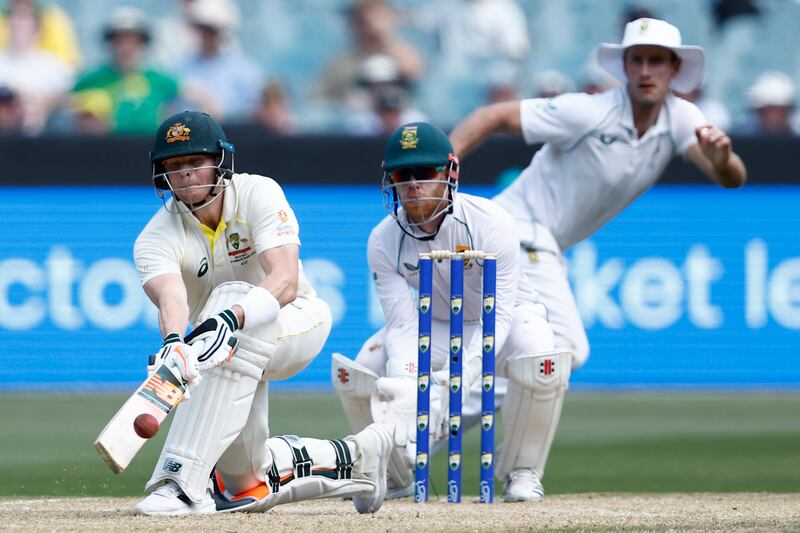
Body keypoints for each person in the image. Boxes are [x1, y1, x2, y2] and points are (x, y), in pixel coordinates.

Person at [447, 16, 747, 469]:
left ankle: (423, 427)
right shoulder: (587, 111)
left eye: (657, 62)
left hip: (543, 243)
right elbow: (492, 116)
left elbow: (730, 178)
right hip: (517, 231)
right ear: (624, 67)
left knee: (537, 355)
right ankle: (491, 451)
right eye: (638, 60)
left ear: (674, 69)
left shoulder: (682, 118)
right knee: (565, 344)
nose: (647, 71)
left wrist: (723, 158)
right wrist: (441, 172)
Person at [132, 109, 391, 515]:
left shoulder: (257, 192)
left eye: (195, 163)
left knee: (227, 321)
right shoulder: (154, 236)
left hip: (297, 320)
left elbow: (285, 280)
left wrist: (231, 318)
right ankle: (361, 455)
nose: (184, 176)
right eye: (174, 166)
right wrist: (172, 343)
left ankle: (180, 482)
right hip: (220, 352)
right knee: (244, 483)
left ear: (219, 161)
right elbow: (170, 297)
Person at [332, 122, 571, 502]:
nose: (411, 184)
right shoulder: (382, 240)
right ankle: (393, 475)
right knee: (362, 370)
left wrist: (451, 387)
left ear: (450, 172)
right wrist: (411, 390)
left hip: (509, 322)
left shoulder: (490, 224)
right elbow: (402, 326)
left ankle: (522, 473)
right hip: (439, 326)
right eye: (401, 174)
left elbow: (500, 318)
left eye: (424, 173)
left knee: (540, 352)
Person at [72, 6, 178, 134]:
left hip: (150, 148)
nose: (126, 48)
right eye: (119, 41)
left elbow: (190, 98)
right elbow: (65, 100)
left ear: (142, 43)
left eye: (132, 41)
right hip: (106, 148)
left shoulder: (160, 79)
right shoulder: (93, 79)